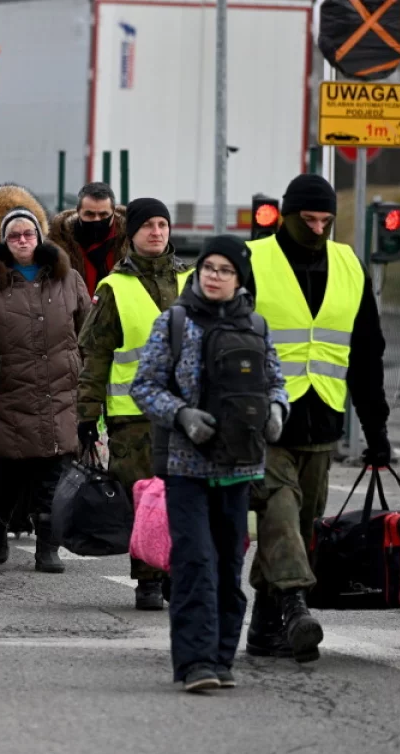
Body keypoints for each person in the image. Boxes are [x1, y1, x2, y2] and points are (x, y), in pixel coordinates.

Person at [131, 235, 289, 692]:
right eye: (208, 268)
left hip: (239, 466)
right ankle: (195, 663)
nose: (214, 276)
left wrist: (278, 411)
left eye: (225, 270)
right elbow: (145, 385)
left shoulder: (256, 326)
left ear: (240, 278)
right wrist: (181, 414)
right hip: (186, 466)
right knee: (196, 561)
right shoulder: (174, 323)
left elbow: (276, 382)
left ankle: (222, 659)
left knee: (227, 565)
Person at [244, 174, 391, 664]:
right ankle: (294, 606)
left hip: (322, 418)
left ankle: (265, 630)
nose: (318, 228)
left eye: (326, 220)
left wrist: (376, 429)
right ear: (285, 216)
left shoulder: (349, 265)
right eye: (308, 220)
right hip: (263, 420)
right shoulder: (254, 260)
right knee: (280, 509)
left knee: (301, 525)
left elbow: (367, 353)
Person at [0, 185, 90, 570]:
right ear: (4, 241)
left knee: (54, 476)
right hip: (9, 392)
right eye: (14, 235)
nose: (21, 241)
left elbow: (88, 329)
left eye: (28, 234)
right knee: (5, 478)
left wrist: (87, 369)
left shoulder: (67, 279)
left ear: (40, 237)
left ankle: (47, 547)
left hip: (58, 392)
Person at [78, 197, 192, 610]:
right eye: (148, 226)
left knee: (186, 496)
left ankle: (177, 573)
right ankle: (147, 578)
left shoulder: (193, 281)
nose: (157, 232)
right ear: (131, 234)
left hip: (187, 414)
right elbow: (95, 358)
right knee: (144, 498)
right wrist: (87, 415)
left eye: (162, 224)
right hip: (133, 415)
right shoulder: (113, 288)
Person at [49, 182, 127, 295]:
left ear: (113, 211)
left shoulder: (131, 241)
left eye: (103, 215)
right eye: (89, 214)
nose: (96, 219)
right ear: (78, 211)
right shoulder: (59, 242)